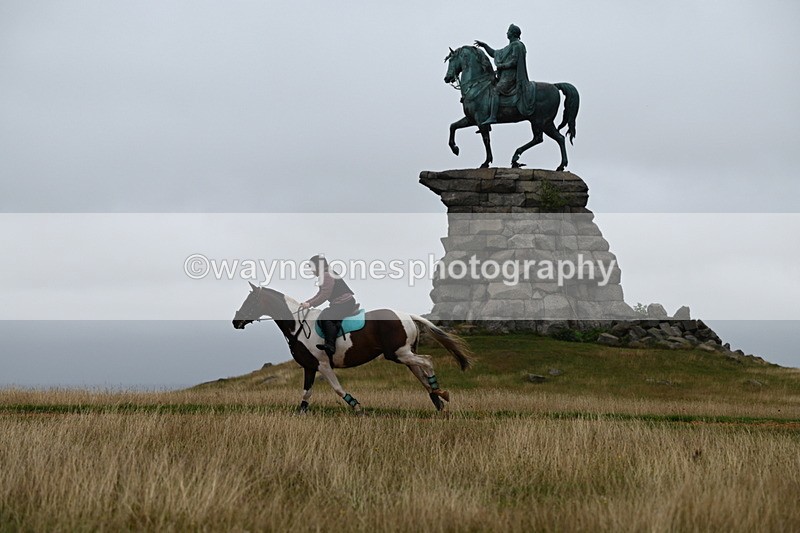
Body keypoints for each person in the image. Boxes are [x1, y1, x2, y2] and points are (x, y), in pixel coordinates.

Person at [298, 255, 360, 357]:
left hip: (344, 303)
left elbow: (324, 295)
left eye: (312, 268)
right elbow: (320, 293)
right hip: (341, 303)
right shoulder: (326, 274)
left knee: (327, 316)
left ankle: (331, 345)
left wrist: (309, 304)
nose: (312, 271)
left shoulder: (326, 275)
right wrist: (307, 303)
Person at [474, 23, 536, 125]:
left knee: (495, 91)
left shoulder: (518, 45)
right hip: (504, 76)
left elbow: (514, 61)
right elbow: (494, 53)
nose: (506, 33)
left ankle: (493, 117)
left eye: (508, 31)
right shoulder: (509, 47)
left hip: (511, 77)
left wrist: (502, 66)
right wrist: (484, 46)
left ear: (512, 33)